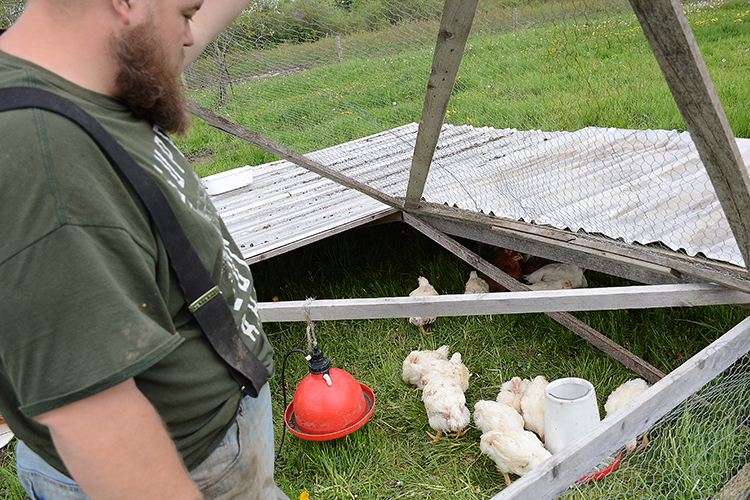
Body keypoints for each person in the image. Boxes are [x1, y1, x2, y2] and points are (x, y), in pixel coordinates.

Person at [0, 1, 289, 498]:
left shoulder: (76, 74)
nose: (189, 33)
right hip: (178, 466)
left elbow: (170, 37)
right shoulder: (41, 154)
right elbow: (96, 423)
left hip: (208, 436)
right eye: (184, 14)